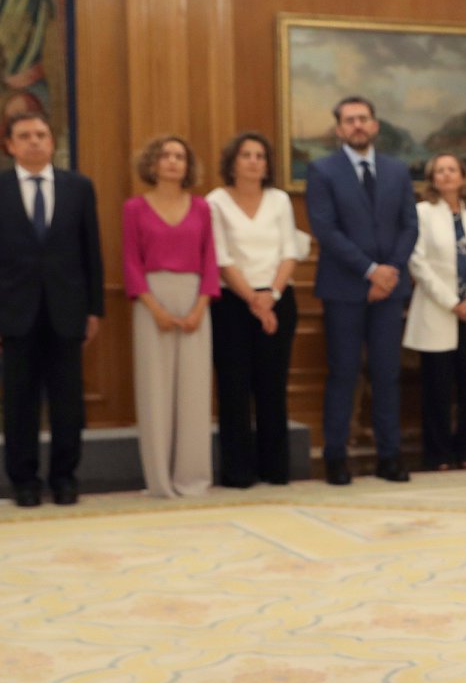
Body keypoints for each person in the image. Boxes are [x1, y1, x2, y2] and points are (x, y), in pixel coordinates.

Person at [0, 113, 102, 507]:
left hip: (67, 310)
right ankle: (24, 481)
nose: (34, 141)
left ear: (52, 141)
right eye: (24, 136)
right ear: (10, 145)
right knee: (20, 402)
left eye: (41, 134)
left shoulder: (78, 187)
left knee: (67, 402)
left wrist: (94, 309)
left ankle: (65, 478)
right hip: (14, 311)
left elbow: (91, 251)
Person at [306, 95, 418, 485]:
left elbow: (410, 226)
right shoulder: (322, 170)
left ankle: (390, 457)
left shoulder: (397, 171)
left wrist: (389, 272)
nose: (357, 125)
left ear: (375, 125)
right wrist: (370, 271)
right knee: (343, 373)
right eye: (349, 120)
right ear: (339, 129)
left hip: (391, 290)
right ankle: (336, 457)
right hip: (343, 290)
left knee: (387, 375)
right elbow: (325, 229)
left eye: (363, 118)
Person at [123, 134, 219, 499]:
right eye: (165, 155)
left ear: (188, 165)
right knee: (155, 391)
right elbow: (131, 262)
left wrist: (199, 309)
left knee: (194, 393)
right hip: (151, 301)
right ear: (152, 163)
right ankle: (160, 480)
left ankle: (191, 479)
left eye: (180, 156)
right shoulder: (134, 208)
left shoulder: (202, 208)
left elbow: (210, 261)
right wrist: (155, 308)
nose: (173, 161)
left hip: (195, 300)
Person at [208, 131, 305, 487]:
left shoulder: (279, 200)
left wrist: (271, 297)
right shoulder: (215, 201)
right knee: (234, 388)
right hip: (232, 305)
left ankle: (275, 469)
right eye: (246, 155)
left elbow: (290, 252)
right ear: (232, 163)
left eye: (260, 156)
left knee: (272, 386)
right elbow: (221, 258)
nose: (253, 161)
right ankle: (238, 472)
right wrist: (253, 299)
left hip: (278, 300)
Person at [404, 152, 466, 471]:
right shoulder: (422, 212)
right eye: (440, 170)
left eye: (452, 169)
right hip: (437, 309)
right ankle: (438, 454)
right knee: (437, 388)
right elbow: (418, 262)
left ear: (462, 175)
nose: (446, 175)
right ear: (432, 178)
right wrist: (451, 301)